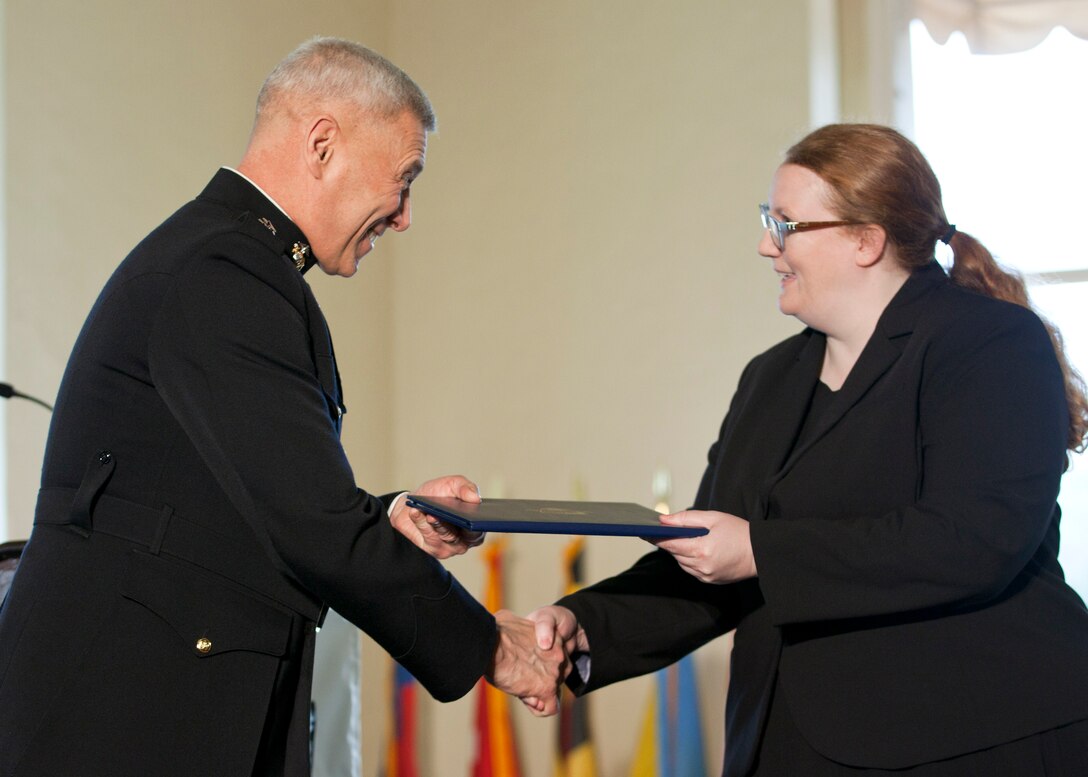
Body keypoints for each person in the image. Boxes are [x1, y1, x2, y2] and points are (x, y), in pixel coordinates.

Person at [0, 37, 563, 777]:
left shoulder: (229, 262)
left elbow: (240, 499)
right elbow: (310, 521)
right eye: (405, 177)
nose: (404, 216)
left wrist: (387, 515)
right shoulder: (225, 271)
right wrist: (489, 643)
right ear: (323, 144)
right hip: (119, 721)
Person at [529, 124, 1088, 776]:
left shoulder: (988, 343)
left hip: (970, 741)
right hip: (787, 746)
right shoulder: (770, 378)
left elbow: (973, 539)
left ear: (866, 240)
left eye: (785, 223)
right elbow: (715, 560)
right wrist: (580, 626)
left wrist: (758, 549)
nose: (765, 245)